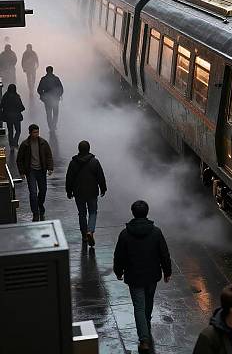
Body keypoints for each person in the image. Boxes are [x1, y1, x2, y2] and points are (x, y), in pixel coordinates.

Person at [113, 200, 172, 353]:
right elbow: (164, 254)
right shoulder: (156, 232)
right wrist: (167, 271)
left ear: (133, 213)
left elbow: (119, 256)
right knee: (149, 301)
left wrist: (118, 271)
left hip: (134, 276)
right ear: (147, 212)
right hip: (152, 275)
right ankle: (146, 325)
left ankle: (144, 339)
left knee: (138, 306)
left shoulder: (125, 234)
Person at [65, 140, 107, 247]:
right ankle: (90, 231)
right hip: (92, 192)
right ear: (89, 149)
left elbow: (69, 179)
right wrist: (103, 188)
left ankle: (84, 235)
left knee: (82, 213)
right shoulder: (94, 162)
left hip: (78, 193)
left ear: (79, 149)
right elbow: (100, 177)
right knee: (93, 212)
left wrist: (69, 191)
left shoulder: (73, 163)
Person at [16, 124, 54, 221]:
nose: (36, 134)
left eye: (37, 132)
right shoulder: (25, 144)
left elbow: (48, 156)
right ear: (30, 133)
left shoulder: (43, 143)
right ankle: (35, 212)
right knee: (33, 193)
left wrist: (50, 168)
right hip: (31, 171)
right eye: (34, 132)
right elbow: (19, 159)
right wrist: (22, 172)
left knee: (43, 190)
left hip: (41, 170)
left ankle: (40, 205)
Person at [37, 66, 64, 131]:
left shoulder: (43, 79)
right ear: (52, 71)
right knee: (55, 113)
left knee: (48, 113)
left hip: (47, 100)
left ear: (46, 71)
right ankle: (54, 125)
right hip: (55, 99)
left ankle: (50, 126)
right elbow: (61, 88)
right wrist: (59, 95)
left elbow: (39, 89)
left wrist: (42, 96)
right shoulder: (56, 79)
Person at [0, 84, 25, 149]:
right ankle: (15, 142)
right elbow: (21, 106)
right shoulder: (16, 96)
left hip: (8, 117)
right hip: (16, 116)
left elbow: (1, 105)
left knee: (10, 131)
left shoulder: (5, 96)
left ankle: (11, 144)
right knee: (18, 130)